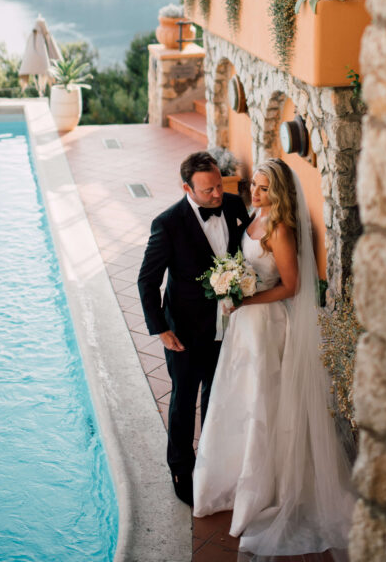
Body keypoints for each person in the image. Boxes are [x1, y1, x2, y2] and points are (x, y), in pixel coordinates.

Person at [193, 158, 355, 559]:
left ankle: (268, 490)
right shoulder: (253, 216)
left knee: (263, 402)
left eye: (264, 188)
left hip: (267, 326)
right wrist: (231, 287)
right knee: (239, 400)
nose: (256, 193)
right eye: (255, 186)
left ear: (279, 192)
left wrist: (245, 296)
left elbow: (291, 285)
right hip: (245, 327)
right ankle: (231, 481)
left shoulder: (280, 229)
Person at [137, 150, 250, 507]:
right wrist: (161, 329)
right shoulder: (167, 224)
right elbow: (147, 280)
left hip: (229, 327)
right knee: (184, 401)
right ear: (187, 187)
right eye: (208, 191)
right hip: (184, 331)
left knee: (217, 397)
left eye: (219, 185)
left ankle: (216, 462)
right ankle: (181, 467)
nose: (217, 194)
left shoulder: (233, 206)